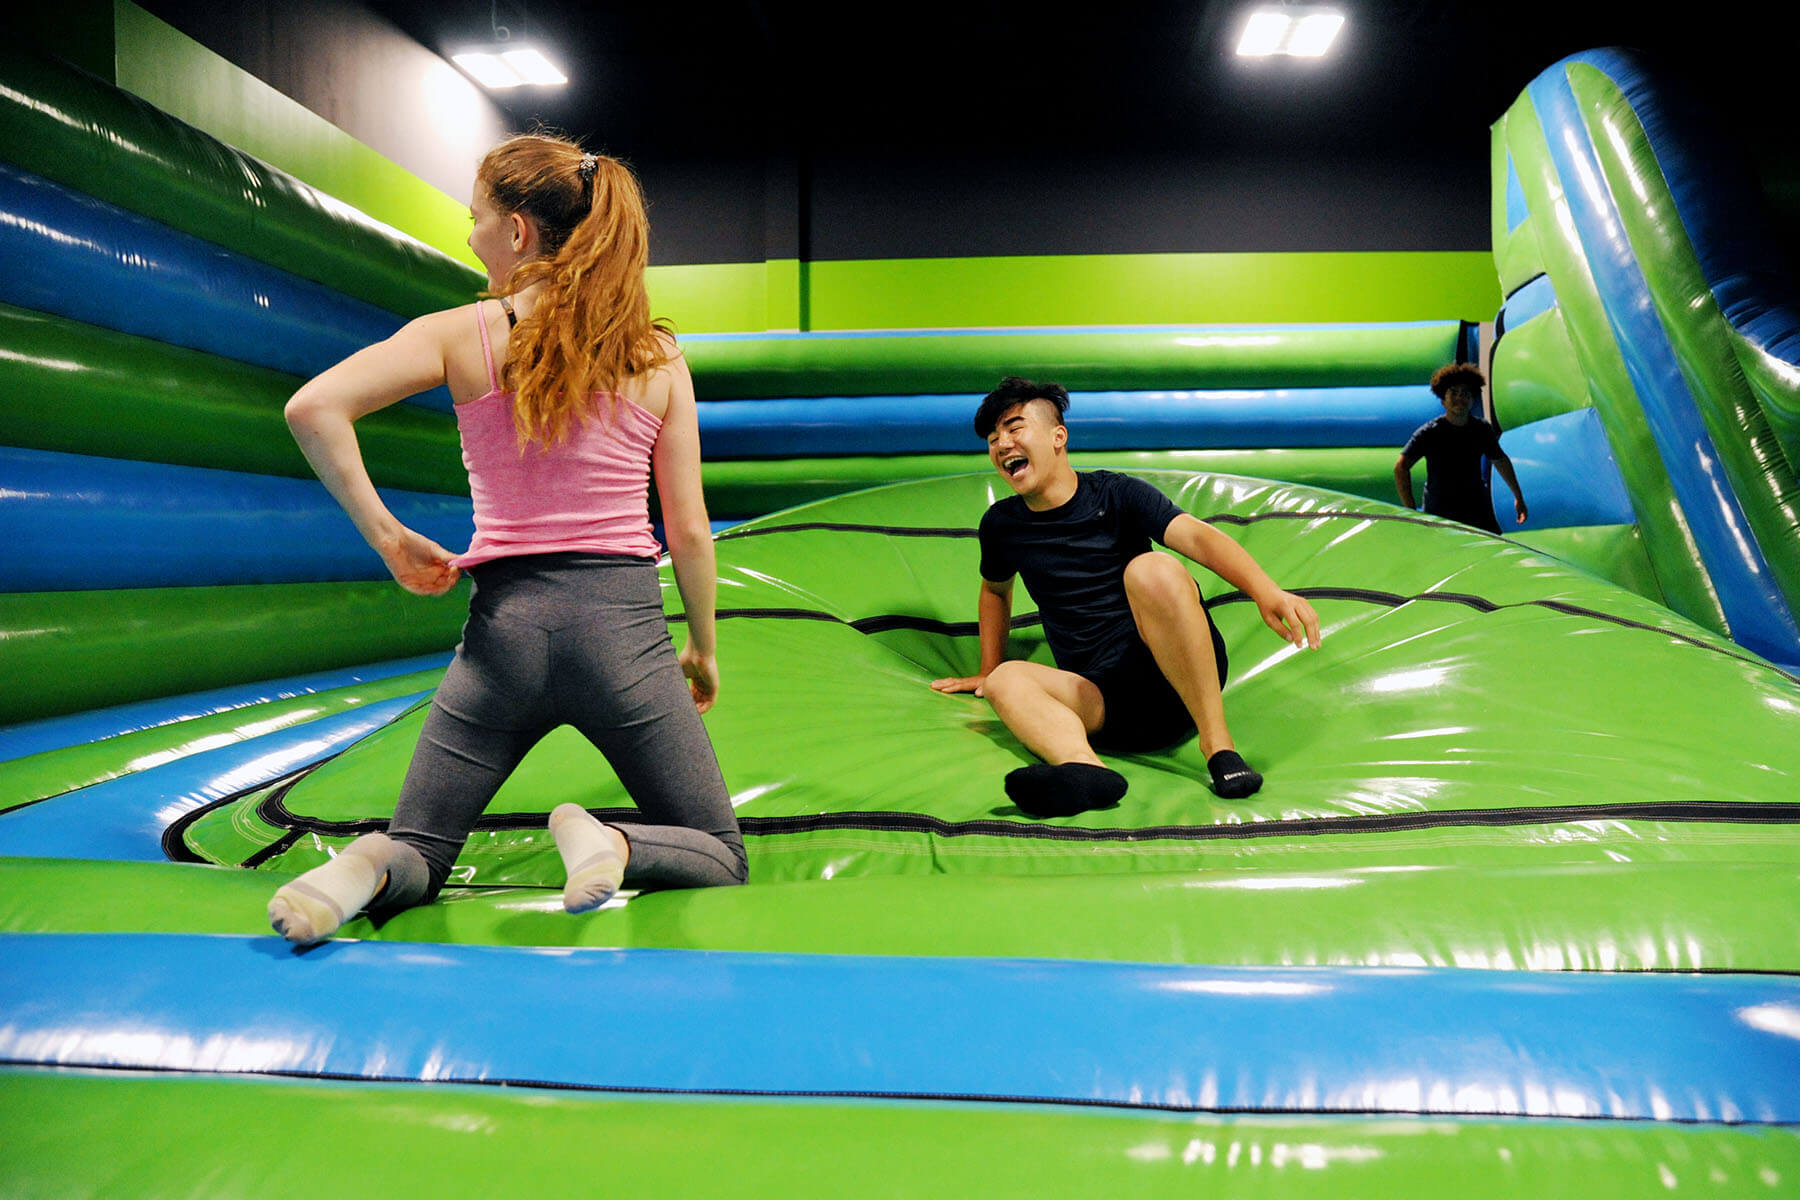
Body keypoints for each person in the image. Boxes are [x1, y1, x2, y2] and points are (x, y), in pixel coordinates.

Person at [267, 135, 745, 946]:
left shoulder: (460, 334)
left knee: (422, 849)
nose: (470, 236)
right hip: (623, 638)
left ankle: (369, 864)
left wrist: (388, 537)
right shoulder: (655, 355)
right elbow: (690, 529)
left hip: (504, 639)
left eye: (476, 219)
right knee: (720, 853)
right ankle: (612, 843)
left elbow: (311, 408)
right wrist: (702, 645)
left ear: (518, 231)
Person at [929, 377, 1322, 817]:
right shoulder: (1002, 525)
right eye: (992, 438)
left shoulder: (1116, 495)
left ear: (1058, 437)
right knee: (1005, 680)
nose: (1002, 444)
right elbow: (995, 590)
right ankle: (1085, 770)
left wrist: (1264, 590)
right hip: (1104, 703)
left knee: (1151, 569)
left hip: (1178, 680)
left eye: (1015, 428)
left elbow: (1196, 536)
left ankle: (1219, 748)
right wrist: (988, 668)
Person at [1395, 362, 1527, 533]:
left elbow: (1500, 461)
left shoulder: (1482, 430)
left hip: (1476, 509)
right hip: (1440, 512)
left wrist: (1518, 496)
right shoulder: (1430, 432)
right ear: (1443, 400)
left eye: (1465, 393)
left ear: (1472, 400)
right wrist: (1411, 510)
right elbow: (1401, 468)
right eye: (1454, 393)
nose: (1460, 398)